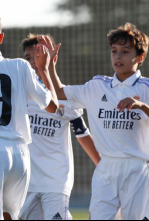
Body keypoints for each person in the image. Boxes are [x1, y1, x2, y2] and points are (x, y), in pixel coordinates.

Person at [39, 23, 149, 220]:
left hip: (137, 169)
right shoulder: (98, 85)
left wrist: (141, 106)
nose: (117, 56)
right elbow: (60, 92)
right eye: (114, 51)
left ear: (140, 57)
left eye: (125, 51)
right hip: (105, 168)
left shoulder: (146, 88)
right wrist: (49, 68)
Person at [19, 34, 101, 220]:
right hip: (26, 182)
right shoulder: (19, 94)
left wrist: (105, 167)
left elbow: (82, 134)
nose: (33, 62)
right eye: (28, 57)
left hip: (56, 182)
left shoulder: (65, 97)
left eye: (38, 55)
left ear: (52, 58)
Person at [0, 19, 58, 220]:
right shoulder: (21, 66)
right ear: (1, 38)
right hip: (20, 155)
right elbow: (53, 107)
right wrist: (45, 69)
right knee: (11, 216)